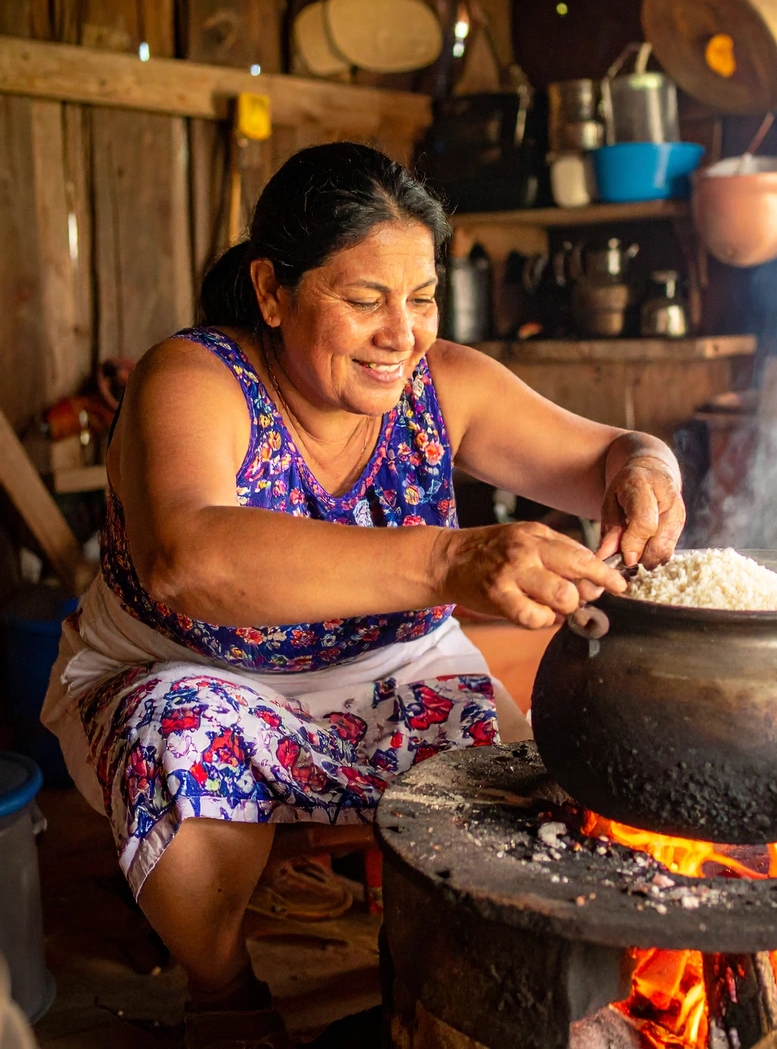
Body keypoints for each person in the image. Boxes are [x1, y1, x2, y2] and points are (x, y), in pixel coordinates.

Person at [42, 142, 685, 1048]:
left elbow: (610, 451)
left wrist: (645, 466)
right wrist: (449, 562)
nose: (403, 334)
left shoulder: (444, 383)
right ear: (272, 292)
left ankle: (422, 972)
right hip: (184, 672)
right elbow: (186, 560)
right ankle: (224, 991)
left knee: (533, 796)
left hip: (393, 670)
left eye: (420, 297)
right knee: (174, 739)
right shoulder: (192, 378)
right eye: (364, 299)